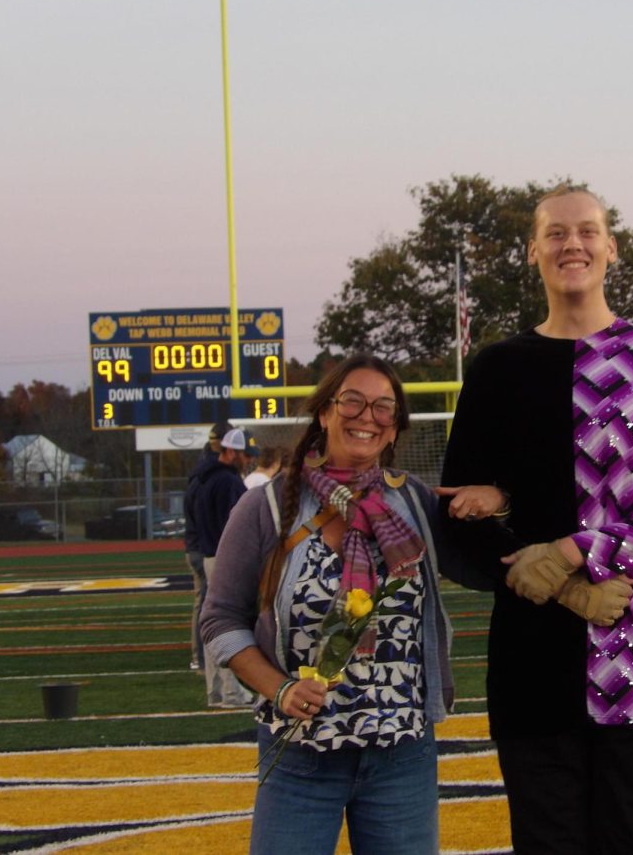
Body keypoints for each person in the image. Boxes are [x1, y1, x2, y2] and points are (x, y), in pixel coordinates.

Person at [439, 184, 633, 854]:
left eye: (587, 230)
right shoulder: (498, 369)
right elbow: (460, 519)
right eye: (556, 233)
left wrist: (570, 548)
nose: (573, 244)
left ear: (611, 247)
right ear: (532, 250)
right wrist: (565, 583)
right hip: (534, 660)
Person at [201, 355, 495, 854]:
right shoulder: (267, 507)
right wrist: (280, 689)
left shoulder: (414, 502)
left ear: (395, 425)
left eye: (384, 407)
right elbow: (220, 619)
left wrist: (498, 497)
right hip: (300, 755)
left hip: (402, 754)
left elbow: (488, 565)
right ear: (324, 412)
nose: (368, 417)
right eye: (352, 401)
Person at [192, 426, 258, 707]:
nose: (248, 460)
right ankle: (232, 692)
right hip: (225, 557)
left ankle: (216, 690)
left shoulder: (202, 478)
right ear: (230, 451)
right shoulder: (229, 483)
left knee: (212, 622)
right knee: (231, 622)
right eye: (244, 454)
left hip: (208, 553)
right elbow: (239, 528)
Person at [182, 420, 232, 671]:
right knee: (209, 604)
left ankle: (201, 656)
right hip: (205, 546)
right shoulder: (217, 476)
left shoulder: (200, 474)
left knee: (204, 601)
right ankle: (202, 656)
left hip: (197, 544)